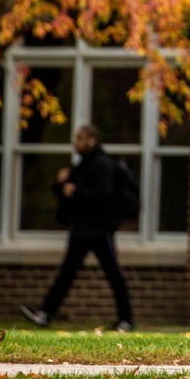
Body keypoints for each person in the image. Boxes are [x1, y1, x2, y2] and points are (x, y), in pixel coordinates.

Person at [20, 124, 135, 333]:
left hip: (100, 230)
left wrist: (76, 190)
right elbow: (64, 192)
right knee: (66, 273)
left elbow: (103, 194)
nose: (76, 143)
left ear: (92, 140)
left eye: (80, 138)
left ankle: (126, 319)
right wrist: (61, 184)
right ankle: (45, 313)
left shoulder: (102, 164)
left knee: (113, 274)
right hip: (81, 228)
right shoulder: (83, 164)